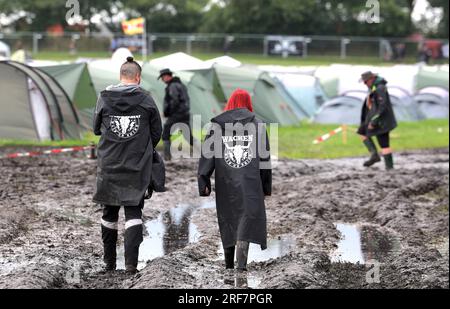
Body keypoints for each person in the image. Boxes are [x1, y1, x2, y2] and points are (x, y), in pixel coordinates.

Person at [93, 57, 162, 274]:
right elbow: (156, 132)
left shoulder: (104, 98)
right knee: (134, 213)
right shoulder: (147, 99)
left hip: (109, 165)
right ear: (138, 78)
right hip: (136, 166)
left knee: (109, 213)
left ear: (120, 76)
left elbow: (96, 129)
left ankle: (109, 263)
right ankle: (131, 265)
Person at [198, 89, 272, 271]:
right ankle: (241, 266)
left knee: (228, 219)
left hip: (226, 182)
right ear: (248, 103)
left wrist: (204, 181)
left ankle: (229, 265)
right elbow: (264, 161)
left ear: (229, 103)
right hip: (250, 182)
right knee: (246, 219)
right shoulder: (258, 125)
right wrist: (266, 186)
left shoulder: (216, 126)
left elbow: (207, 156)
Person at [358, 71, 397, 171]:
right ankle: (374, 154)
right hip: (375, 119)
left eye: (365, 81)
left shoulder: (380, 88)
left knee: (384, 144)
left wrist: (374, 121)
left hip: (382, 121)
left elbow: (382, 106)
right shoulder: (374, 87)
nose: (365, 84)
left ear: (371, 79)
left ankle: (390, 167)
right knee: (362, 132)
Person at [158, 68, 196, 161]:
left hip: (176, 114)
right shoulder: (180, 84)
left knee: (166, 134)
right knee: (188, 136)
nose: (162, 80)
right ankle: (206, 151)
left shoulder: (172, 86)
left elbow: (174, 101)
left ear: (167, 76)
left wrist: (168, 112)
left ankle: (167, 158)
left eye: (162, 78)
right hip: (184, 114)